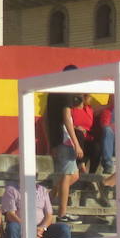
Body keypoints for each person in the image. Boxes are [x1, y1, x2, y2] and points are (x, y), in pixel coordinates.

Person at [44, 88, 86, 224]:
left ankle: (46, 198)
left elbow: (45, 119)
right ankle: (62, 214)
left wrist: (50, 143)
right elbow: (67, 118)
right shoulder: (66, 93)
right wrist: (76, 143)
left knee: (74, 175)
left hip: (58, 140)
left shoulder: (52, 94)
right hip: (65, 140)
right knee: (67, 176)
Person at [0, 179, 71, 238]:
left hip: (40, 231)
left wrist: (42, 228)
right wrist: (28, 228)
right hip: (22, 229)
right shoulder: (11, 190)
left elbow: (49, 215)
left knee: (64, 228)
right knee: (12, 227)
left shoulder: (43, 190)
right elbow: (10, 215)